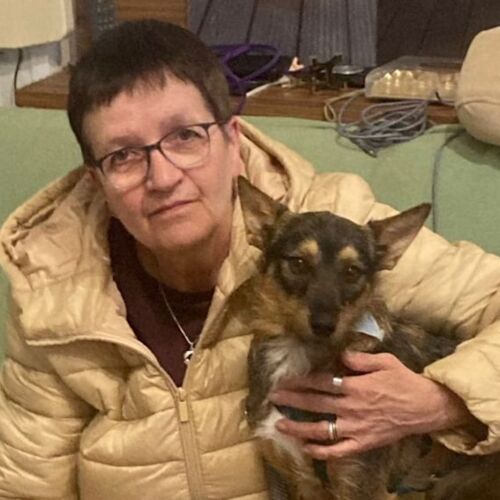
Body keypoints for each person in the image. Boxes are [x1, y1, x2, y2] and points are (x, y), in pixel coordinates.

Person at [0, 19, 499, 500]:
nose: (163, 177)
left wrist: (443, 402)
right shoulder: (50, 288)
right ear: (97, 181)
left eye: (185, 135)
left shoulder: (334, 222)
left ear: (231, 138)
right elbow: (26, 486)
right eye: (123, 155)